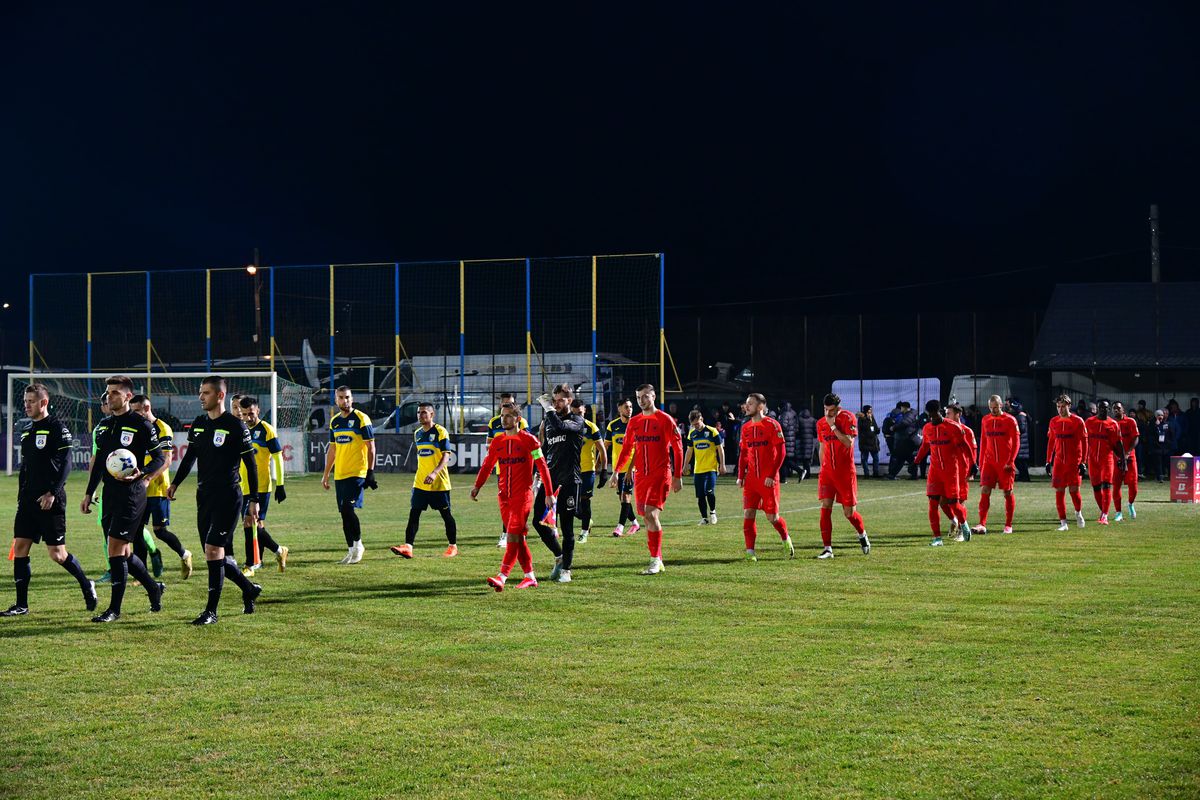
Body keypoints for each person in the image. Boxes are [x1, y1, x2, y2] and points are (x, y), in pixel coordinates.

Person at [167, 376, 263, 625]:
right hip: (204, 496)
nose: (201, 397)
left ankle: (211, 611)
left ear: (220, 396)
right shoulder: (199, 424)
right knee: (213, 556)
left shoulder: (235, 425)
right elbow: (190, 457)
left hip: (229, 496)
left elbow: (250, 465)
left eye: (206, 393)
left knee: (214, 550)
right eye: (200, 392)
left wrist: (254, 499)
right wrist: (176, 483)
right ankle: (249, 588)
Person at [2, 384, 97, 617]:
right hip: (27, 501)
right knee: (21, 547)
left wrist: (53, 492)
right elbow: (26, 466)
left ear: (43, 403)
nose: (26, 405)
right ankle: (21, 604)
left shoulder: (57, 428)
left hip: (51, 500)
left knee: (57, 554)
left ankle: (86, 584)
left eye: (31, 401)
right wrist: (20, 495)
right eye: (25, 401)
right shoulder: (26, 430)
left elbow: (67, 463)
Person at [82, 375, 168, 622]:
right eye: (108, 393)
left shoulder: (142, 425)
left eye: (114, 393)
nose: (109, 397)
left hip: (133, 495)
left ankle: (114, 610)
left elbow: (160, 457)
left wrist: (144, 473)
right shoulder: (105, 426)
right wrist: (89, 492)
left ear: (128, 396)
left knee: (114, 549)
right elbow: (99, 463)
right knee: (125, 552)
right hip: (110, 494)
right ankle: (154, 588)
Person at [472, 404, 554, 590]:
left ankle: (502, 576)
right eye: (502, 416)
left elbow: (542, 466)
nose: (504, 419)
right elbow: (487, 465)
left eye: (509, 416)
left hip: (523, 497)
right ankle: (530, 576)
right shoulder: (497, 442)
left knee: (512, 535)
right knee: (518, 538)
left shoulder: (530, 441)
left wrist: (548, 493)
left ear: (518, 419)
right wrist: (477, 486)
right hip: (504, 498)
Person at [610, 384, 683, 575]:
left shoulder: (665, 420)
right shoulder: (634, 422)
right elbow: (626, 449)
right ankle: (657, 559)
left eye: (644, 397)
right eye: (638, 397)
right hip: (640, 476)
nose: (641, 401)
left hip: (660, 474)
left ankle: (655, 560)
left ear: (653, 396)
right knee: (645, 515)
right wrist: (616, 471)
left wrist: (677, 476)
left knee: (651, 514)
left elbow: (678, 448)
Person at [130, 395, 193, 579]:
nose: (133, 415)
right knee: (137, 530)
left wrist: (148, 478)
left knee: (160, 531)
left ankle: (184, 554)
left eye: (136, 411)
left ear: (146, 408)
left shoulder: (162, 428)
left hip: (157, 487)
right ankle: (141, 575)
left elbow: (166, 461)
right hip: (139, 487)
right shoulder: (136, 428)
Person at [531, 385, 587, 583]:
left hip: (570, 481)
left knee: (567, 528)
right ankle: (559, 556)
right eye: (553, 400)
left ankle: (566, 570)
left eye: (560, 400)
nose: (556, 403)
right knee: (537, 521)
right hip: (550, 481)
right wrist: (537, 473)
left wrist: (548, 409)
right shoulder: (548, 421)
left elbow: (562, 427)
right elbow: (545, 449)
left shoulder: (577, 420)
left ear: (570, 401)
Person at [391, 402, 456, 559]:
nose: (421, 415)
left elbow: (446, 455)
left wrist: (434, 473)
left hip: (439, 482)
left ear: (432, 414)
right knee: (414, 513)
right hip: (420, 482)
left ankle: (453, 546)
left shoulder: (441, 432)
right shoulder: (418, 433)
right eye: (419, 413)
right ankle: (408, 547)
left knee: (446, 515)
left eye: (424, 412)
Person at [323, 386, 376, 564]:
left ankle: (359, 544)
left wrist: (370, 472)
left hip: (357, 473)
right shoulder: (335, 422)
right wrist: (326, 475)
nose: (344, 401)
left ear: (352, 399)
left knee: (348, 508)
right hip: (340, 475)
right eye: (341, 398)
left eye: (347, 397)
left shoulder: (361, 418)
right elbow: (332, 449)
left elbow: (371, 447)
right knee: (344, 514)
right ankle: (351, 550)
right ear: (336, 400)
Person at [813, 393, 871, 558]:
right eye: (825, 410)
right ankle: (827, 549)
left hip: (845, 473)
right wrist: (822, 467)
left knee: (849, 513)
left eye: (830, 410)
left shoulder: (848, 417)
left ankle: (862, 534)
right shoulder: (821, 423)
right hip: (827, 473)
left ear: (838, 407)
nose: (827, 414)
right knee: (825, 508)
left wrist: (833, 426)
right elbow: (822, 447)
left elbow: (848, 442)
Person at [738, 394, 794, 560]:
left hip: (768, 480)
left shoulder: (772, 424)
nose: (746, 406)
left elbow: (781, 452)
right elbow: (743, 454)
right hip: (751, 480)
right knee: (748, 514)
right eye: (746, 404)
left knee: (772, 517)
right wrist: (741, 476)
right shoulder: (745, 427)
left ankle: (785, 539)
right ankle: (750, 552)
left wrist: (771, 475)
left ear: (760, 407)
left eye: (750, 404)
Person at [238, 396, 290, 572]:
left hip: (261, 487)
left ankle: (250, 564)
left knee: (248, 524)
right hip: (242, 486)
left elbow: (277, 458)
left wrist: (280, 484)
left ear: (258, 411)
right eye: (244, 414)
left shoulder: (267, 430)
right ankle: (275, 552)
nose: (248, 417)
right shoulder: (241, 429)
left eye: (251, 413)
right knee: (257, 526)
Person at [912, 399, 971, 546]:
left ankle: (963, 524)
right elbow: (925, 446)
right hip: (935, 471)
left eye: (934, 413)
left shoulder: (953, 427)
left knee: (954, 504)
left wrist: (973, 465)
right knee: (932, 504)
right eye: (930, 414)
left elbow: (965, 446)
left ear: (939, 411)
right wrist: (916, 461)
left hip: (951, 471)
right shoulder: (927, 428)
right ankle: (937, 538)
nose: (932, 417)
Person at [973, 395, 1020, 535]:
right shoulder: (985, 420)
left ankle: (1008, 525)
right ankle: (982, 524)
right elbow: (983, 441)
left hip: (1005, 463)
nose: (993, 410)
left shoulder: (1010, 420)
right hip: (989, 463)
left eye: (996, 407)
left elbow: (1016, 442)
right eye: (991, 408)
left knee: (1007, 492)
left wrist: (1011, 461)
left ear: (1001, 406)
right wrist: (981, 463)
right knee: (985, 490)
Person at [486, 392, 527, 548]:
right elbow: (489, 446)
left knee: (518, 504)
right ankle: (507, 534)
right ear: (500, 405)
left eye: (510, 403)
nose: (508, 406)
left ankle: (514, 533)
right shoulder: (493, 423)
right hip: (502, 470)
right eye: (505, 404)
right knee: (506, 504)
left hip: (519, 470)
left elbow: (527, 444)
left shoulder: (521, 422)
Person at [1046, 394, 1089, 531]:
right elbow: (1051, 441)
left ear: (1069, 406)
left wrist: (1083, 462)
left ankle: (1078, 513)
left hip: (1073, 462)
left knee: (1074, 490)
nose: (1060, 409)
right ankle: (1063, 523)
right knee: (1059, 492)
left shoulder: (1078, 421)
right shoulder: (1053, 421)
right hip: (1059, 462)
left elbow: (1085, 442)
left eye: (1063, 406)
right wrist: (1048, 461)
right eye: (1058, 407)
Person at [571, 398, 606, 543]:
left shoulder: (591, 428)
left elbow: (602, 450)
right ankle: (587, 520)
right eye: (574, 413)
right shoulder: (568, 426)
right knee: (570, 504)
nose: (577, 416)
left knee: (585, 502)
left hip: (587, 471)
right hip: (571, 471)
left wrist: (603, 470)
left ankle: (584, 532)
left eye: (580, 413)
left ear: (585, 410)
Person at [1084, 400, 1124, 525]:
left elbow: (1118, 443)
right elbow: (1083, 440)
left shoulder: (1113, 424)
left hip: (1106, 459)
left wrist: (1123, 460)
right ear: (1097, 408)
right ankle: (1103, 511)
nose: (1103, 409)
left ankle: (1105, 516)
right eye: (1101, 407)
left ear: (1109, 409)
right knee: (1096, 487)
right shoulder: (1089, 422)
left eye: (1106, 408)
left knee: (1106, 485)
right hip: (1092, 460)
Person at [683, 410, 724, 525]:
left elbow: (720, 449)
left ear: (702, 419)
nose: (696, 426)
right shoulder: (692, 434)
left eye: (697, 423)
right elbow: (689, 450)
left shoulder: (712, 431)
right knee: (700, 495)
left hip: (711, 468)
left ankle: (713, 512)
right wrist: (685, 464)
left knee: (709, 492)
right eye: (693, 424)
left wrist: (722, 465)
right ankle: (704, 518)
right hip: (698, 470)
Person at [606, 399, 640, 537]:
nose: (630, 409)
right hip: (617, 469)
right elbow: (606, 445)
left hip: (631, 469)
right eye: (626, 407)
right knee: (622, 498)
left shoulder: (636, 425)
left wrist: (630, 469)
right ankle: (635, 523)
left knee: (626, 497)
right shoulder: (612, 426)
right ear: (619, 409)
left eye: (631, 407)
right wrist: (600, 465)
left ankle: (619, 527)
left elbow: (637, 451)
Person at [943, 403, 977, 541]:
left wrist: (971, 470)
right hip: (947, 471)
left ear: (958, 414)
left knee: (959, 502)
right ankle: (954, 520)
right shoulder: (945, 429)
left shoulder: (967, 431)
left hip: (962, 472)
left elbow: (972, 452)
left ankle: (962, 531)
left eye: (949, 413)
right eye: (946, 413)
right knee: (942, 501)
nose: (946, 416)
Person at [1111, 402, 1139, 522]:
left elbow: (1136, 438)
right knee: (1116, 486)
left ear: (1123, 410)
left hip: (1130, 458)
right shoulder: (1111, 424)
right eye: (1114, 408)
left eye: (1118, 408)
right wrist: (1118, 456)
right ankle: (1118, 513)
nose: (1116, 410)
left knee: (1133, 485)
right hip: (1116, 459)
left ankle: (1130, 504)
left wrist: (1127, 454)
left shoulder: (1131, 422)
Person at [888, 402, 919, 480]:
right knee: (908, 458)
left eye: (901, 408)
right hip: (908, 440)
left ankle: (892, 475)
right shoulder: (911, 414)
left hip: (907, 440)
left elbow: (905, 423)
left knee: (901, 458)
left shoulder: (909, 415)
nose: (900, 410)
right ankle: (913, 475)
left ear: (904, 408)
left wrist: (894, 427)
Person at [1006, 398, 1032, 483]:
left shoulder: (1020, 417)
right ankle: (1023, 476)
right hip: (1021, 443)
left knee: (1021, 461)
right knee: (1020, 461)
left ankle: (1025, 477)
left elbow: (1022, 429)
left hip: (1021, 443)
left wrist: (1013, 430)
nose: (1010, 409)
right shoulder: (1019, 416)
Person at [777, 401, 799, 483]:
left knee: (784, 459)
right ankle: (783, 479)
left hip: (786, 439)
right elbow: (796, 427)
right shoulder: (793, 413)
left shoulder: (785, 414)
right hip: (791, 438)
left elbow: (783, 425)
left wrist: (777, 425)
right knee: (785, 459)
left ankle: (800, 471)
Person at [857, 405, 881, 478]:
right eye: (869, 409)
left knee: (876, 458)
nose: (870, 411)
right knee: (864, 459)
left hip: (873, 442)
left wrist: (877, 430)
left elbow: (875, 428)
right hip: (865, 442)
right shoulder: (861, 419)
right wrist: (866, 419)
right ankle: (866, 474)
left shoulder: (871, 417)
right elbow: (862, 429)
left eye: (871, 409)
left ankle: (875, 473)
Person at [795, 406, 816, 481]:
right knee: (808, 458)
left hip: (802, 440)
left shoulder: (799, 419)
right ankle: (808, 473)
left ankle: (806, 473)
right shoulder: (812, 420)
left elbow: (796, 430)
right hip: (810, 440)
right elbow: (815, 430)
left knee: (804, 458)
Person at [1152, 410, 1173, 481]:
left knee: (1166, 461)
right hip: (1157, 446)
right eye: (1158, 415)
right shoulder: (1153, 424)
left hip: (1166, 446)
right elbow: (1151, 434)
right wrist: (1156, 425)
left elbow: (1171, 434)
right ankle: (1160, 476)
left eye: (1161, 415)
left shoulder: (1167, 424)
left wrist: (1169, 443)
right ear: (1156, 416)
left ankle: (1167, 475)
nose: (1160, 416)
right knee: (1158, 462)